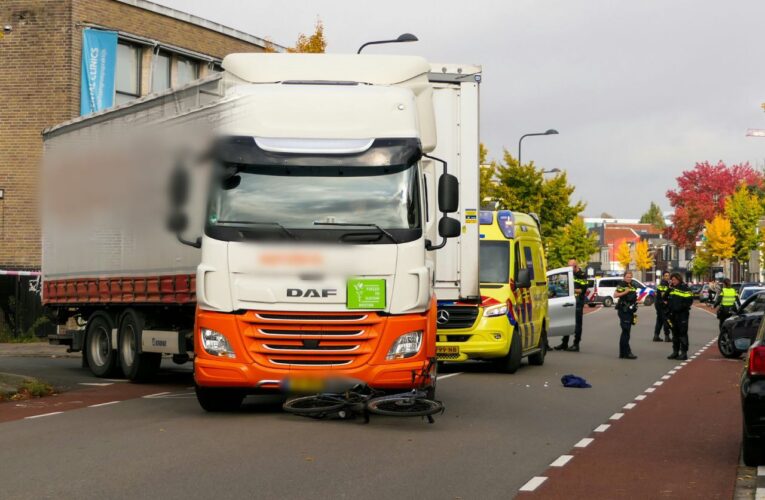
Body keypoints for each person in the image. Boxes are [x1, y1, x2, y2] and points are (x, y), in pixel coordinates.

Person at [553, 258, 588, 352]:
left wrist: (570, 289)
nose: (568, 268)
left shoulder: (582, 275)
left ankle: (576, 344)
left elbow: (582, 290)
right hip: (568, 301)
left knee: (577, 323)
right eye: (568, 265)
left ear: (576, 266)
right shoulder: (568, 274)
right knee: (566, 321)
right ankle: (564, 343)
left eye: (570, 266)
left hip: (577, 301)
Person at [667, 272, 693, 360]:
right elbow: (664, 298)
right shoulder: (672, 288)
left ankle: (684, 353)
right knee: (675, 334)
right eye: (672, 280)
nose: (672, 281)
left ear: (678, 279)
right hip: (673, 315)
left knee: (682, 334)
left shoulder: (685, 288)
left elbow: (689, 301)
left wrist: (680, 308)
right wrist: (669, 289)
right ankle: (675, 352)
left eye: (674, 280)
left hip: (682, 315)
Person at [614, 270, 638, 359]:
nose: (629, 278)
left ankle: (623, 353)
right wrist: (625, 292)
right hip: (623, 310)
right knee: (626, 331)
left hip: (630, 311)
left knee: (626, 332)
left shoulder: (632, 285)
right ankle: (626, 352)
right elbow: (615, 295)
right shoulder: (622, 284)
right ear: (624, 277)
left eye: (630, 277)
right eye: (627, 277)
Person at [653, 272, 672, 342]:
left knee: (659, 320)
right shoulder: (664, 283)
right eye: (665, 276)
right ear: (663, 277)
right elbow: (663, 295)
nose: (667, 277)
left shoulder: (664, 283)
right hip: (662, 305)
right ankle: (667, 336)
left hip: (658, 304)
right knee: (666, 320)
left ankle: (656, 336)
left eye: (668, 275)